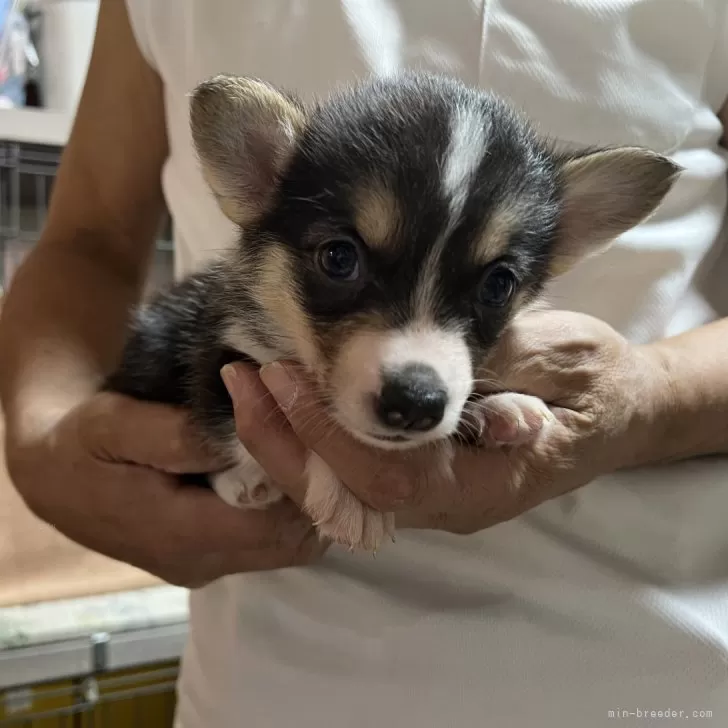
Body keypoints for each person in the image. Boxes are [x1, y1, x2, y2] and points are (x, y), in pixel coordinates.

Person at [1, 0, 727, 725]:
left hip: (639, 659)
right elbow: (87, 237)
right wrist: (40, 439)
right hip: (269, 674)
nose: (415, 359)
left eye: (496, 283)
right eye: (340, 260)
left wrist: (645, 398)